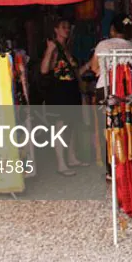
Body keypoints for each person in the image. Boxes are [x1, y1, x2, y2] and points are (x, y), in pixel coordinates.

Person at [40, 17, 89, 176]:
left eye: (68, 27)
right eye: (63, 27)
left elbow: (74, 73)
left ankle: (72, 157)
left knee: (72, 124)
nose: (66, 30)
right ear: (56, 29)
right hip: (59, 90)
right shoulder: (54, 47)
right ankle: (61, 163)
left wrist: (88, 66)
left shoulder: (67, 48)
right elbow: (44, 70)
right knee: (60, 126)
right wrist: (49, 50)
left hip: (71, 89)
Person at [85, 14, 132, 100]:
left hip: (105, 87)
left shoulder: (103, 45)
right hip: (126, 88)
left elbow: (94, 68)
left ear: (112, 29)